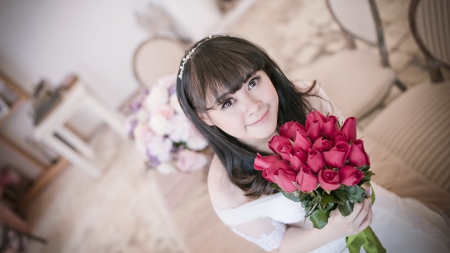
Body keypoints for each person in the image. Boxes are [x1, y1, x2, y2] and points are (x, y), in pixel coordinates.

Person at [176, 34, 450, 253]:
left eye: (253, 82)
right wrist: (334, 230)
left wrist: (359, 191)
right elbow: (281, 245)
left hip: (370, 211)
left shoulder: (309, 101)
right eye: (227, 102)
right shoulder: (225, 188)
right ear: (205, 117)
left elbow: (355, 157)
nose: (253, 106)